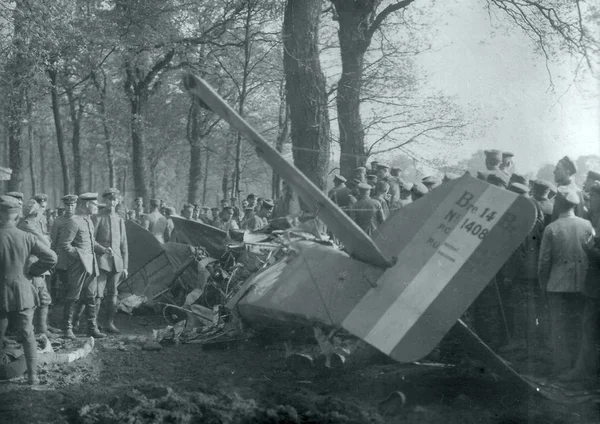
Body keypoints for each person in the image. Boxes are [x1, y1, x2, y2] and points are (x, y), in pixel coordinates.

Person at [0, 195, 57, 385]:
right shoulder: (26, 237)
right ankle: (33, 376)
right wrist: (31, 271)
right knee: (27, 333)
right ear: (16, 217)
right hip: (23, 292)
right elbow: (51, 257)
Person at [538, 186, 595, 376]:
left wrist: (542, 285)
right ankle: (577, 367)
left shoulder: (552, 228)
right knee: (578, 327)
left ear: (559, 203)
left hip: (557, 286)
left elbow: (544, 262)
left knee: (559, 328)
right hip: (582, 286)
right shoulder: (587, 225)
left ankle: (562, 367)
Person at [560, 181, 600, 384]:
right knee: (589, 329)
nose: (589, 201)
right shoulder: (595, 219)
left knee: (590, 330)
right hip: (594, 288)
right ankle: (585, 370)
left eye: (592, 197)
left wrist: (589, 250)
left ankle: (584, 371)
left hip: (597, 289)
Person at [58, 192, 105, 339]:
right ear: (86, 205)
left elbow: (91, 243)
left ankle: (92, 328)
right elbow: (64, 244)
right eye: (94, 204)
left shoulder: (88, 221)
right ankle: (67, 329)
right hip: (78, 267)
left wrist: (102, 249)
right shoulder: (74, 222)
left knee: (91, 297)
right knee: (73, 297)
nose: (96, 207)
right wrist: (78, 256)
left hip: (91, 265)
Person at [93, 188, 128, 334]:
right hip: (101, 262)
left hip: (117, 263)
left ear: (117, 201)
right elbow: (91, 241)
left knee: (113, 294)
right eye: (109, 200)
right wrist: (102, 249)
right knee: (98, 294)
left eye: (114, 200)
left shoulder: (120, 220)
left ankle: (109, 323)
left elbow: (124, 245)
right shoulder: (98, 218)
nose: (112, 202)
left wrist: (125, 266)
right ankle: (93, 325)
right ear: (105, 201)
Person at [17, 200, 54, 337]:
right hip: (31, 265)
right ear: (36, 212)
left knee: (42, 297)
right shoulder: (28, 225)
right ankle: (35, 330)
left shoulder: (28, 223)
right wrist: (46, 238)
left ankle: (39, 329)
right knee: (39, 298)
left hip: (33, 264)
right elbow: (46, 243)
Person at [551, 155, 585, 221]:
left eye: (557, 168)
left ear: (568, 171)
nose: (554, 171)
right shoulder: (562, 189)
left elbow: (580, 219)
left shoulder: (574, 192)